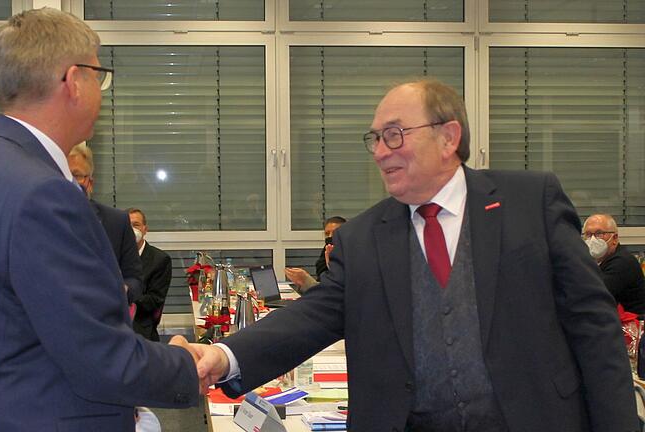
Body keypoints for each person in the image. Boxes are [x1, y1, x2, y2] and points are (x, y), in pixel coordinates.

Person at [190, 79, 638, 431]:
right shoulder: (363, 238)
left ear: (448, 137)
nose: (381, 151)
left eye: (395, 135)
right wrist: (223, 357)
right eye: (376, 139)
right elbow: (310, 318)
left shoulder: (529, 203)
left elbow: (594, 327)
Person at [0, 8, 199, 431]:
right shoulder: (44, 193)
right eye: (99, 75)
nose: (101, 89)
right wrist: (191, 363)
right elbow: (102, 359)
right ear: (74, 81)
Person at [69, 143, 143, 300]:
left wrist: (122, 290)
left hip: (103, 314)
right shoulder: (40, 219)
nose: (70, 182)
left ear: (90, 183)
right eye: (63, 175)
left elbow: (135, 281)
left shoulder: (116, 221)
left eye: (76, 175)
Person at [583, 214, 645, 314]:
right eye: (588, 234)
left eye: (599, 233)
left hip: (632, 324)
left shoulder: (622, 262)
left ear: (615, 238)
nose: (593, 239)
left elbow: (594, 295)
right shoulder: (597, 261)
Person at [127, 208, 173, 341]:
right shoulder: (113, 256)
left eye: (136, 225)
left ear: (145, 229)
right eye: (127, 226)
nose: (132, 230)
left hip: (140, 324)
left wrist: (125, 293)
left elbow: (153, 301)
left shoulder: (159, 260)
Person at [285, 216, 346, 293]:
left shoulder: (352, 256)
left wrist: (306, 280)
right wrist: (303, 282)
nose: (330, 236)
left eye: (334, 233)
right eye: (327, 233)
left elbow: (335, 291)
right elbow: (322, 286)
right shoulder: (326, 251)